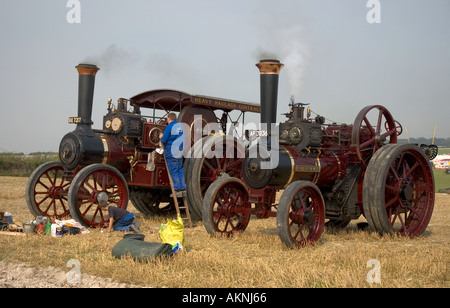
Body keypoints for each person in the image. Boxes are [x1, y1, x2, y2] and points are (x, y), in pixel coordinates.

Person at [159, 112, 187, 197]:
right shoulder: (180, 127)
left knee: (174, 170)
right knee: (180, 169)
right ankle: (183, 189)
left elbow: (164, 140)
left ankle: (177, 190)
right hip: (179, 151)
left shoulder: (169, 127)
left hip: (171, 152)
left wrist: (161, 136)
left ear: (168, 119)